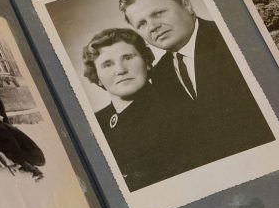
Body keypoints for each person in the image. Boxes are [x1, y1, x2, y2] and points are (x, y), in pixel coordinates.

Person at [119, 0, 272, 159]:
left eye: (158, 13)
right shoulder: (160, 74)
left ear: (187, 5)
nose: (153, 27)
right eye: (142, 24)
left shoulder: (232, 39)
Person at [82, 27, 199, 190]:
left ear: (147, 62)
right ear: (98, 78)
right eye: (107, 64)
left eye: (128, 58)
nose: (120, 70)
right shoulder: (93, 123)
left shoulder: (179, 114)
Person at [0, 105, 44, 180]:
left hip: (36, 156)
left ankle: (34, 171)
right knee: (5, 148)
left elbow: (14, 146)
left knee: (8, 151)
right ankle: (25, 165)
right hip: (34, 153)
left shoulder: (0, 129)